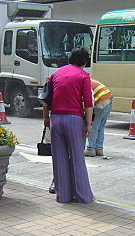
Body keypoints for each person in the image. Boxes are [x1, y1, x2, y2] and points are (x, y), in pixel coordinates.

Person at [43, 47, 94, 203]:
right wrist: (88, 124)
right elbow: (88, 102)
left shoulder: (55, 73)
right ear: (84, 61)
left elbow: (46, 97)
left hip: (56, 119)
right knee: (77, 157)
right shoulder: (83, 76)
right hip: (73, 119)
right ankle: (83, 196)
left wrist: (46, 118)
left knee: (59, 158)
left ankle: (63, 196)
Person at [84, 78, 113, 157]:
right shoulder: (90, 80)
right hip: (108, 101)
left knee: (93, 127)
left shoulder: (84, 84)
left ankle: (90, 149)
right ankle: (99, 149)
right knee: (100, 127)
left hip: (100, 103)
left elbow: (89, 101)